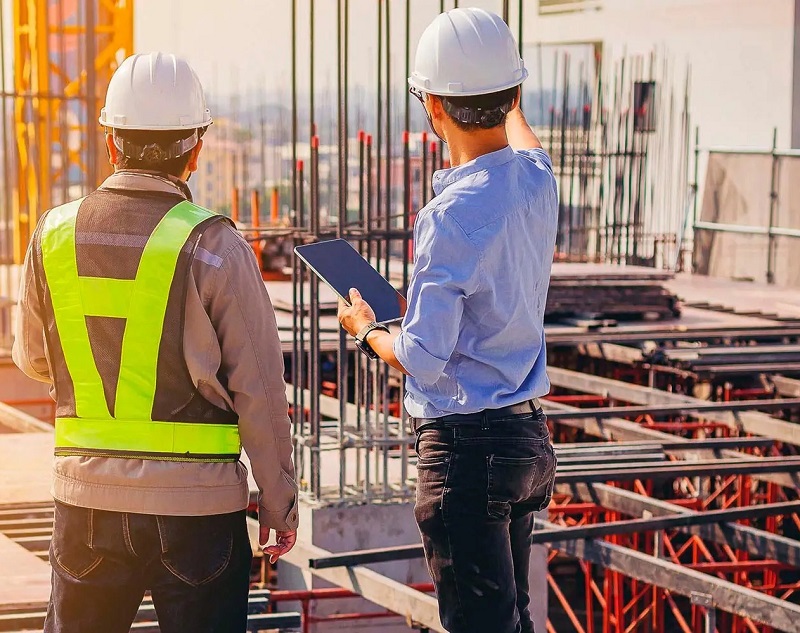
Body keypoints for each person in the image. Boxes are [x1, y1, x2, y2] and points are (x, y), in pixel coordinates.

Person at [12, 52, 298, 633]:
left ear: (111, 144)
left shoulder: (52, 235)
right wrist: (277, 499)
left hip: (86, 501)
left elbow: (35, 359)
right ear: (194, 149)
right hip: (198, 514)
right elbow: (260, 389)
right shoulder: (215, 246)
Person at [337, 9, 558, 633]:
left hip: (467, 452)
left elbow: (424, 359)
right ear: (515, 94)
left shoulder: (451, 214)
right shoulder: (538, 182)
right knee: (510, 620)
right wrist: (505, 88)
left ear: (431, 105)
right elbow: (523, 138)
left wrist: (366, 329)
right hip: (526, 443)